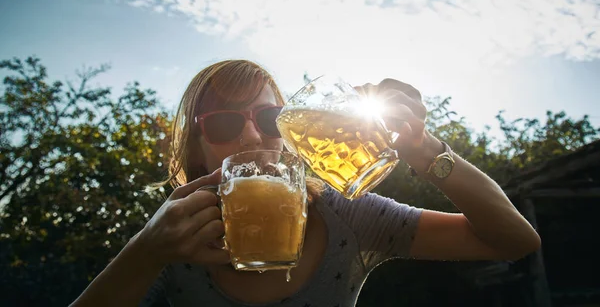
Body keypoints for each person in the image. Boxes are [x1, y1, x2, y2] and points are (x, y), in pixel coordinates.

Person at [71, 60, 541, 307]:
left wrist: (426, 151)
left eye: (268, 117)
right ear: (197, 148)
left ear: (291, 129)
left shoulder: (345, 215)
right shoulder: (173, 238)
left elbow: (514, 241)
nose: (252, 134)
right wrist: (146, 251)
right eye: (223, 123)